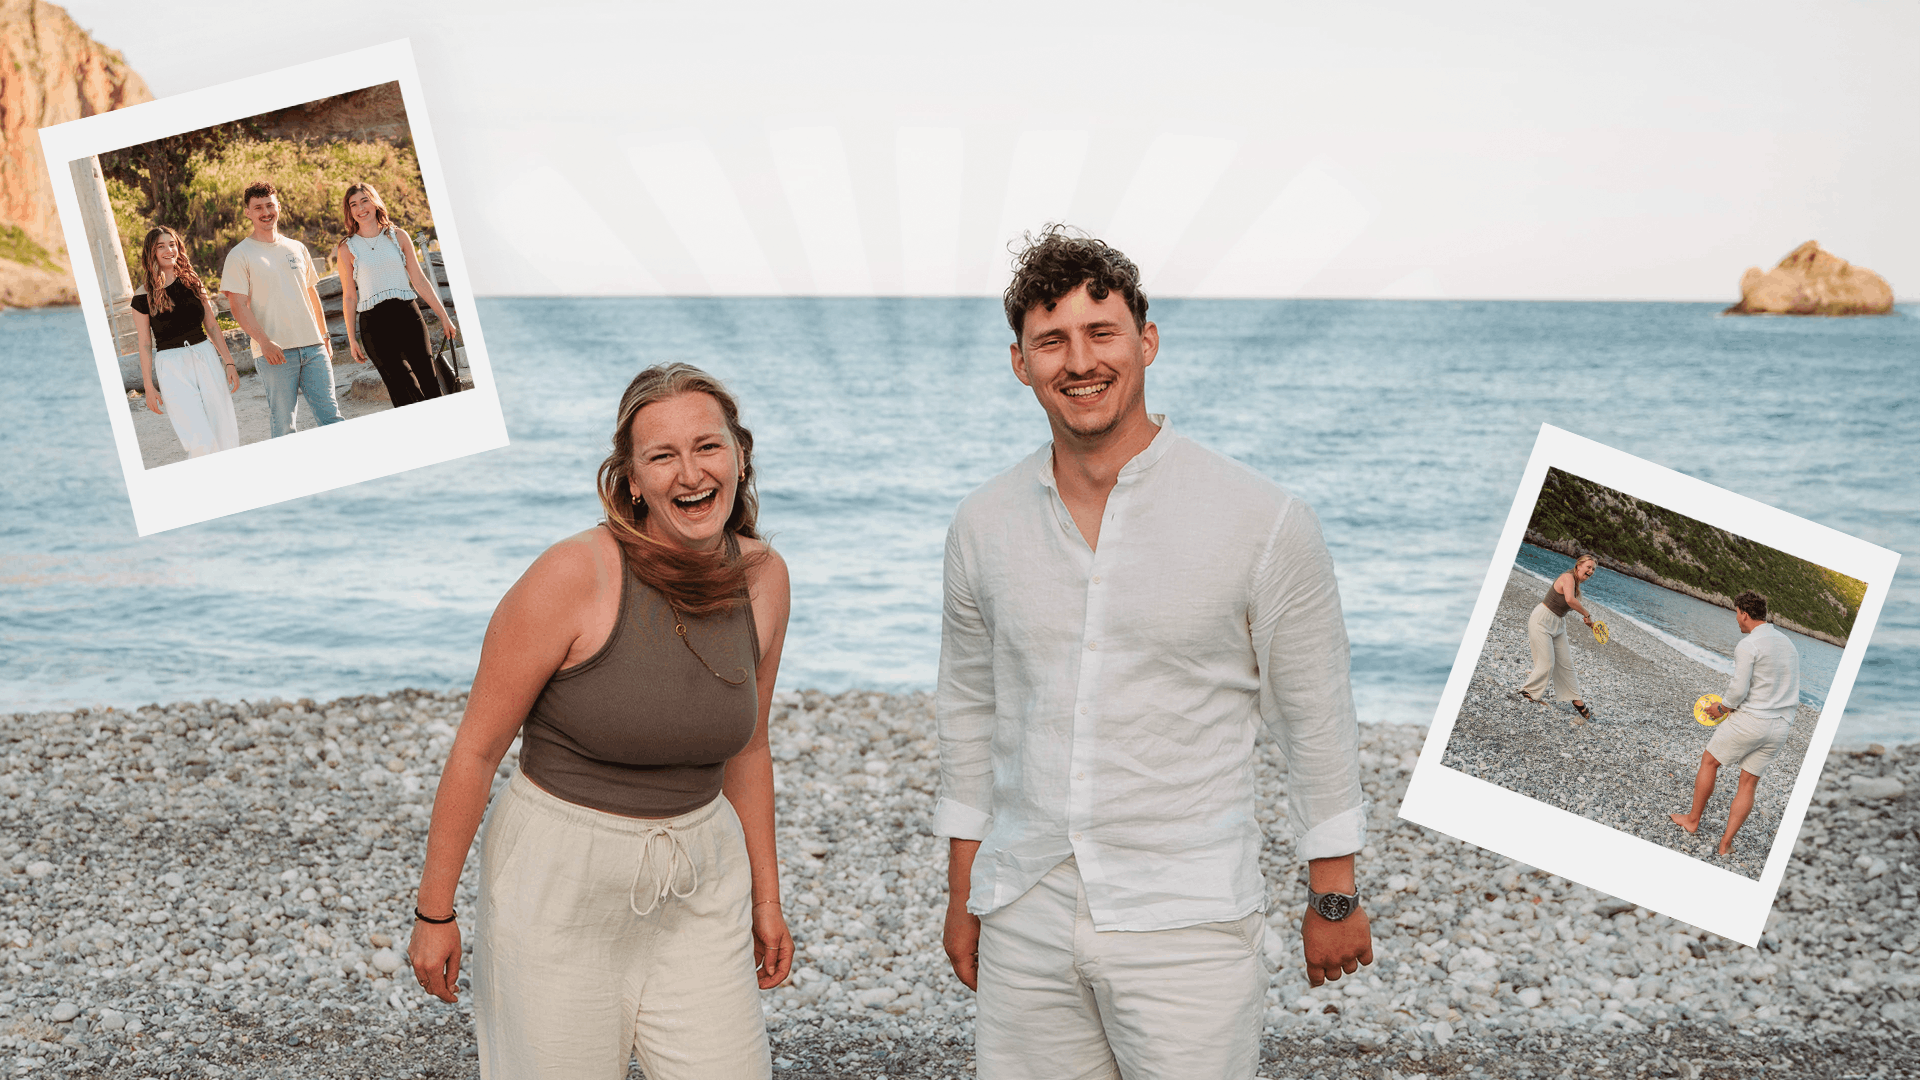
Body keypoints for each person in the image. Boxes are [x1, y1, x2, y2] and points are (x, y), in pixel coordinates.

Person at [934, 226, 1373, 1080]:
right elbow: (970, 721)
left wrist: (1335, 893)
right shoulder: (981, 526)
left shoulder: (1261, 519)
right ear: (1020, 363)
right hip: (1027, 908)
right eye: (1050, 340)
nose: (1079, 360)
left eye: (1101, 333)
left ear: (1147, 341)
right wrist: (967, 897)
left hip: (1191, 921)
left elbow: (1314, 716)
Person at [406, 363, 793, 1078]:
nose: (690, 473)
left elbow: (750, 748)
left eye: (708, 446)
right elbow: (477, 750)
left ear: (740, 454)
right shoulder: (572, 574)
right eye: (662, 456)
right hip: (559, 882)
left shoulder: (764, 576)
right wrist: (435, 913)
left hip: (702, 879)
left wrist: (766, 898)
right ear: (631, 478)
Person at [1669, 590, 1800, 855]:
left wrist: (1722, 708)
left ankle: (1693, 820)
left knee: (1710, 761)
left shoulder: (1749, 644)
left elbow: (1738, 690)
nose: (1737, 620)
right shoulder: (1788, 643)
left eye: (1737, 614)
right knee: (1748, 783)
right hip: (1781, 726)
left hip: (1751, 721)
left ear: (1745, 614)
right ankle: (1725, 845)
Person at [219, 180, 344, 438]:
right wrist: (264, 342)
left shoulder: (297, 248)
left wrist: (325, 336)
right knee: (285, 426)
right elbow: (237, 306)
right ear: (248, 212)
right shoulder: (239, 255)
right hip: (274, 353)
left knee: (332, 417)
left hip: (314, 347)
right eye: (258, 207)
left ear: (278, 207)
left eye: (270, 205)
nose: (266, 212)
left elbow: (312, 295)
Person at [335, 182, 459, 406]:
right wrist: (351, 339)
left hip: (407, 315)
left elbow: (419, 280)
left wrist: (443, 316)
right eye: (354, 204)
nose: (360, 208)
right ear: (349, 210)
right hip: (374, 324)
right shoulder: (346, 248)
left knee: (429, 382)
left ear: (375, 202)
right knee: (402, 389)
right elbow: (350, 297)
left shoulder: (398, 236)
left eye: (365, 201)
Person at [131, 226, 241, 459]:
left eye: (172, 244)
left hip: (205, 355)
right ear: (151, 253)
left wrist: (229, 362)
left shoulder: (192, 281)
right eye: (161, 246)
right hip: (171, 367)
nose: (169, 250)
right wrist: (149, 387)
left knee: (224, 429)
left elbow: (211, 325)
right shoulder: (142, 297)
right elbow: (144, 344)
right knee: (198, 438)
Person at [1519, 553, 1597, 722]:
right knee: (1547, 662)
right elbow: (1569, 600)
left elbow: (1570, 601)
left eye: (1593, 569)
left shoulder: (1576, 586)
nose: (1591, 571)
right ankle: (1528, 692)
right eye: (1588, 567)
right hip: (1542, 620)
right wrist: (1586, 613)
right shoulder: (1567, 577)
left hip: (1558, 624)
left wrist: (1590, 623)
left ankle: (1576, 698)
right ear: (1578, 566)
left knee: (1566, 663)